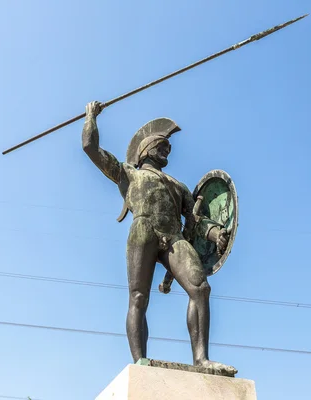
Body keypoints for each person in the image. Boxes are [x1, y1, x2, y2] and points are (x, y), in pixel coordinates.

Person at [81, 101, 236, 375]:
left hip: (173, 236)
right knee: (138, 297)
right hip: (143, 231)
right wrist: (91, 116)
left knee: (200, 288)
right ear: (146, 150)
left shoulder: (179, 185)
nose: (167, 150)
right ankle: (140, 360)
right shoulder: (128, 173)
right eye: (162, 146)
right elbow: (90, 148)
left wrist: (215, 234)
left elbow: (196, 220)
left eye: (169, 148)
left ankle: (201, 359)